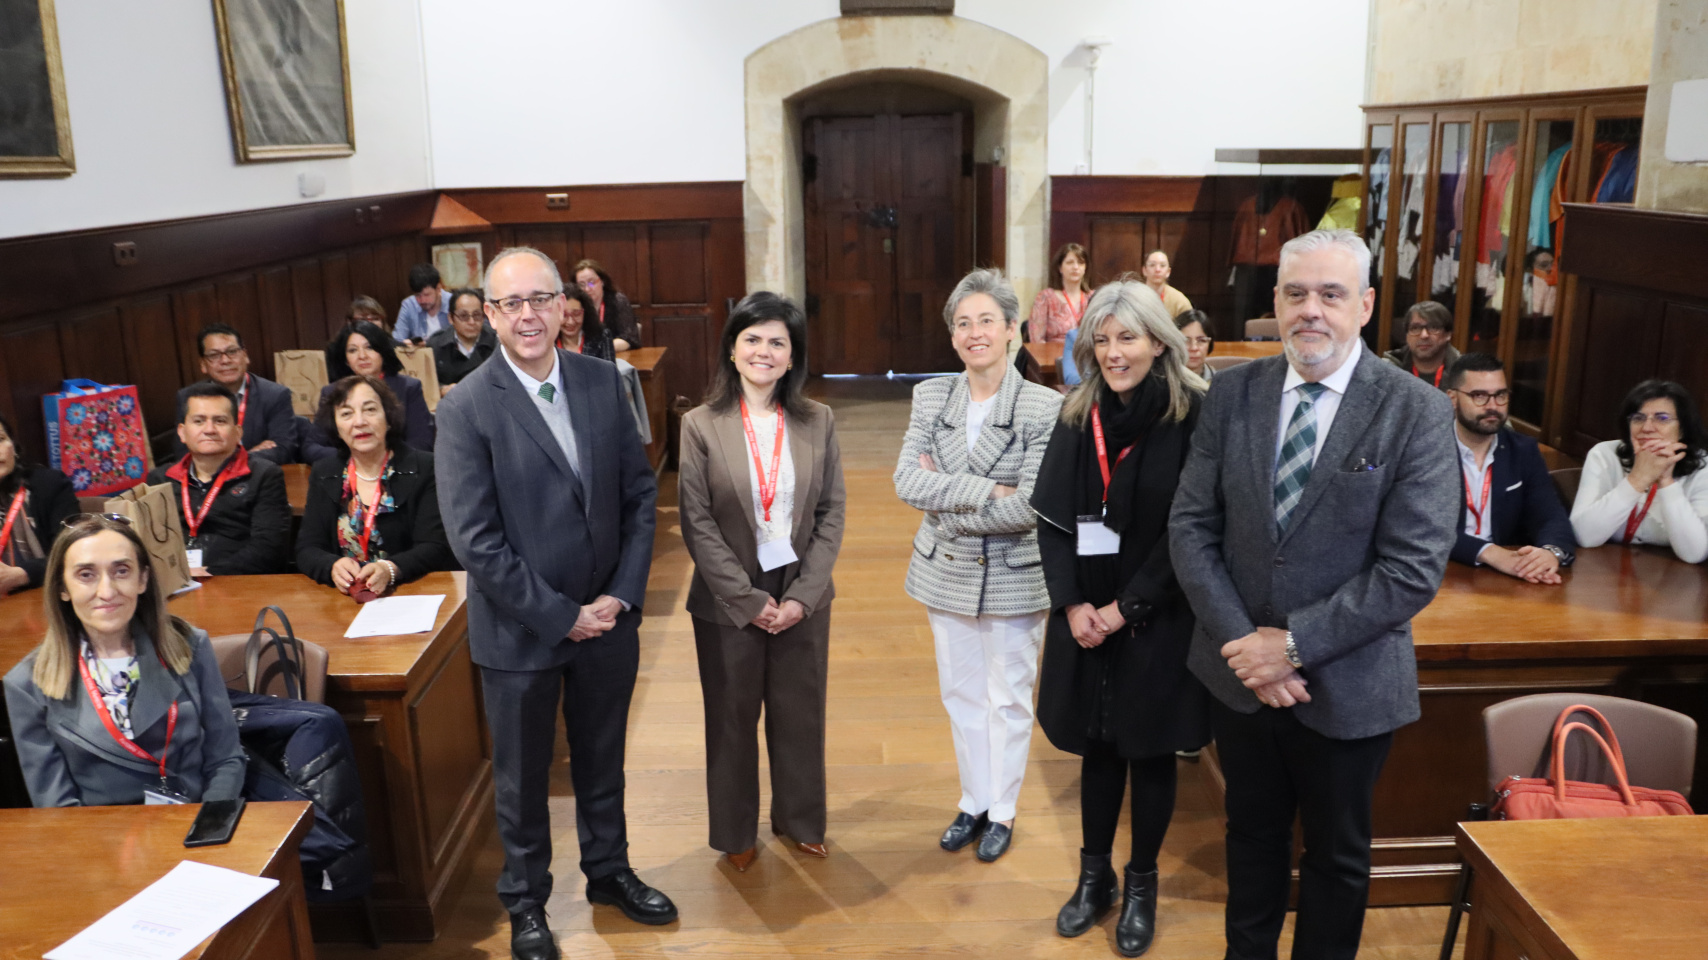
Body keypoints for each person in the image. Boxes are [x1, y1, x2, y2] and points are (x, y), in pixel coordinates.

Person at [1169, 229, 1458, 960]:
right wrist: (1248, 649)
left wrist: (1291, 646)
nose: (1312, 311)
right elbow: (1192, 527)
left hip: (1350, 682)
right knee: (1251, 838)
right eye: (1296, 293)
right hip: (1239, 680)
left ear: (1364, 306)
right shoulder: (1231, 391)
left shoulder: (1414, 411)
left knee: (1336, 857)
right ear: (1275, 301)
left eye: (1331, 294)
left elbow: (1412, 567)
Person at [436, 247, 673, 958]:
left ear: (563, 303)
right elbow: (475, 542)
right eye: (512, 304)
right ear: (490, 314)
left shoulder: (605, 381)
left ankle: (608, 873)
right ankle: (528, 903)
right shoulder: (467, 407)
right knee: (522, 777)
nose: (529, 314)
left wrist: (621, 597)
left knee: (603, 757)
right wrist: (559, 615)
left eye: (541, 298)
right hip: (520, 634)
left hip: (608, 622)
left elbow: (640, 493)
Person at [1031, 280, 1207, 957]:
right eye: (1100, 340)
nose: (1112, 352)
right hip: (1084, 615)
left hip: (1156, 615)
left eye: (1126, 337)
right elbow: (1050, 522)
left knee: (1150, 750)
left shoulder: (1193, 416)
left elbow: (1189, 532)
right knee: (1098, 746)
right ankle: (1093, 876)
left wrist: (1123, 608)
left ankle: (1141, 884)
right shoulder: (1079, 413)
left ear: (1158, 341)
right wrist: (1075, 604)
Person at [893, 268, 1060, 864]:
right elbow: (906, 480)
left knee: (1009, 696)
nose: (974, 332)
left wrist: (951, 498)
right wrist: (989, 490)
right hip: (946, 569)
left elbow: (1031, 505)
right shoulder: (931, 395)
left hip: (1015, 571)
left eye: (986, 320)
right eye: (962, 323)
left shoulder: (1044, 406)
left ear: (1012, 329)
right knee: (960, 692)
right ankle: (973, 800)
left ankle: (1004, 811)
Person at [679, 291, 846, 872]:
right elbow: (697, 524)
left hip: (802, 589)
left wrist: (801, 595)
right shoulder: (700, 425)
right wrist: (749, 600)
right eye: (752, 339)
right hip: (727, 597)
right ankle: (735, 833)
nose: (764, 351)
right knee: (730, 715)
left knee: (800, 711)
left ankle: (800, 820)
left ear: (792, 355)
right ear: (731, 349)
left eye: (778, 342)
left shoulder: (817, 420)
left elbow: (831, 513)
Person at [3, 514, 246, 807]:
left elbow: (226, 759)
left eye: (121, 571)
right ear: (62, 588)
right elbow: (57, 808)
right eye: (86, 575)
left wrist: (208, 832)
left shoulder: (189, 645)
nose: (107, 592)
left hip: (194, 827)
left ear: (142, 579)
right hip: (99, 843)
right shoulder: (25, 684)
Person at [296, 375, 450, 594]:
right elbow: (307, 548)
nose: (359, 422)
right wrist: (331, 566)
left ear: (388, 418)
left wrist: (391, 569)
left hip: (412, 593)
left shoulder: (425, 467)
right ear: (336, 426)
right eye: (347, 414)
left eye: (370, 410)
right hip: (346, 601)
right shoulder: (325, 472)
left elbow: (436, 546)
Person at [1444, 354, 1575, 580]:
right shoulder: (1426, 449)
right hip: (1443, 570)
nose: (1493, 406)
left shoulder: (1523, 450)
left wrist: (1549, 553)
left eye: (1500, 395)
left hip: (1506, 575)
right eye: (1479, 396)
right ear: (1453, 398)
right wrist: (1488, 552)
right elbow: (1420, 528)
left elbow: (1551, 516)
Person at [149, 383, 291, 577]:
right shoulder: (160, 479)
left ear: (237, 432)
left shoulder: (264, 475)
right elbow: (151, 543)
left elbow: (269, 549)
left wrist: (209, 572)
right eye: (199, 421)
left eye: (220, 421)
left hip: (238, 582)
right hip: (174, 582)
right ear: (182, 432)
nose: (209, 429)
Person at [1570, 379, 1708, 563]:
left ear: (1682, 429)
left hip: (1670, 581)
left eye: (1662, 418)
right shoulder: (1604, 455)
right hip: (1602, 570)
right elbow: (1584, 536)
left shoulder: (1703, 466)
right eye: (1638, 418)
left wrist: (1666, 482)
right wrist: (1638, 479)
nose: (1647, 428)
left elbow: (1694, 554)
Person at [300, 321, 434, 464]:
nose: (362, 356)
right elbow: (311, 448)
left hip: (398, 470)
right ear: (345, 359)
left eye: (369, 347)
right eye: (352, 350)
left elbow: (422, 444)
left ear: (382, 350)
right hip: (348, 472)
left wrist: (380, 458)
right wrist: (356, 456)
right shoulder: (332, 392)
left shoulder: (408, 388)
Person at [171, 323, 299, 464]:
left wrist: (218, 460)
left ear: (245, 356)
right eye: (214, 355)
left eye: (232, 352)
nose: (225, 360)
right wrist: (242, 458)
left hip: (261, 478)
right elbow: (183, 454)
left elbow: (283, 449)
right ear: (203, 364)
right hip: (210, 480)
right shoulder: (188, 397)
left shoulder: (275, 394)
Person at [0, 412, 78, 595]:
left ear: (14, 448)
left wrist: (22, 574)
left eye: (1, 439)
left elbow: (74, 550)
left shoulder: (50, 485)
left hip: (48, 594)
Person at [426, 288, 499, 392]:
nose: (471, 322)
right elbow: (426, 383)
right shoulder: (436, 344)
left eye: (477, 315)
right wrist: (441, 390)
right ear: (451, 318)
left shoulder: (496, 342)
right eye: (464, 316)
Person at [1382, 300, 1460, 389]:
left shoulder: (1465, 372)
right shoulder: (1386, 370)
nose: (1424, 335)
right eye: (1415, 328)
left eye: (1433, 327)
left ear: (1448, 334)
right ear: (1407, 335)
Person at [1028, 243, 1091, 344]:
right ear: (1060, 268)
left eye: (1080, 263)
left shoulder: (1093, 297)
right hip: (1053, 357)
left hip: (1085, 356)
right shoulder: (1046, 297)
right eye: (1070, 263)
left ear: (1085, 268)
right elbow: (1036, 340)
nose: (1075, 267)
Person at [573, 259, 641, 352]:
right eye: (581, 285)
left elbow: (629, 339)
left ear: (602, 281)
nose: (587, 289)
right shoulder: (574, 306)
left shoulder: (617, 301)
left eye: (591, 282)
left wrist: (599, 348)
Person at [394, 263, 451, 344]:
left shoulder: (453, 302)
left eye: (426, 294)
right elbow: (397, 340)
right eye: (417, 295)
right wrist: (406, 344)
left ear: (438, 288)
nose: (422, 300)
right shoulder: (409, 305)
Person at [558, 286, 615, 362]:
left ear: (585, 312)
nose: (570, 321)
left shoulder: (601, 337)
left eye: (576, 313)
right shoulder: (549, 341)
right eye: (564, 315)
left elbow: (610, 372)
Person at [1140, 250, 1193, 318]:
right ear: (1144, 270)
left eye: (1162, 265)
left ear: (1168, 272)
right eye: (1152, 265)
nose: (1157, 269)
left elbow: (1191, 326)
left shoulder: (1179, 301)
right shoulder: (1133, 297)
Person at [1174, 309, 1216, 386]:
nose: (1194, 348)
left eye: (1201, 340)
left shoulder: (1219, 383)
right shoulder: (1162, 382)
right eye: (1186, 341)